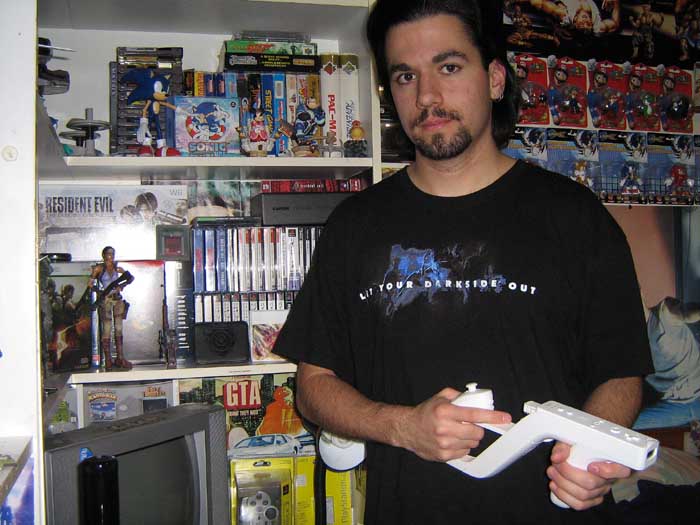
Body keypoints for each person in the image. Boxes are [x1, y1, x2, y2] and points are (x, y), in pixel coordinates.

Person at [273, 1, 652, 523]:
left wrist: (591, 455)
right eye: (406, 76)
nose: (427, 96)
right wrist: (403, 427)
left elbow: (621, 372)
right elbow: (314, 387)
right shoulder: (354, 226)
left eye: (448, 67)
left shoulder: (575, 216)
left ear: (494, 79)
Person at [634, 296, 700, 430]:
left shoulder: (665, 316)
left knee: (623, 422)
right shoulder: (627, 338)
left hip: (688, 400)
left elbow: (686, 313)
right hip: (662, 390)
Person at [89, 246, 134, 370]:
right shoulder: (99, 269)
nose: (111, 256)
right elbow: (90, 284)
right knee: (107, 329)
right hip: (106, 300)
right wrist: (100, 292)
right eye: (109, 254)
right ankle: (108, 359)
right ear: (104, 255)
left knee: (119, 328)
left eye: (112, 254)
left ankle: (120, 357)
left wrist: (122, 285)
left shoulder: (117, 268)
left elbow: (130, 278)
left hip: (117, 298)